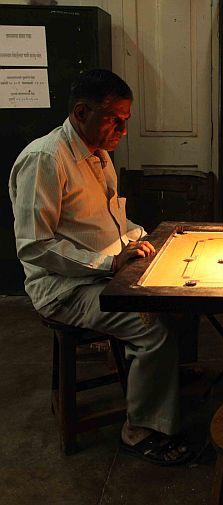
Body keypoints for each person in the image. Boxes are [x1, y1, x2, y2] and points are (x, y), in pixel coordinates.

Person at [9, 69, 194, 465]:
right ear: (81, 112)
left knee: (182, 291)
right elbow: (35, 246)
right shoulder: (46, 158)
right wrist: (109, 262)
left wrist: (140, 239)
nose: (122, 131)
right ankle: (141, 430)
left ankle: (164, 386)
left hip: (102, 270)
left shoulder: (98, 154)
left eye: (126, 120)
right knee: (151, 325)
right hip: (62, 288)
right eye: (116, 119)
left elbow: (112, 221)